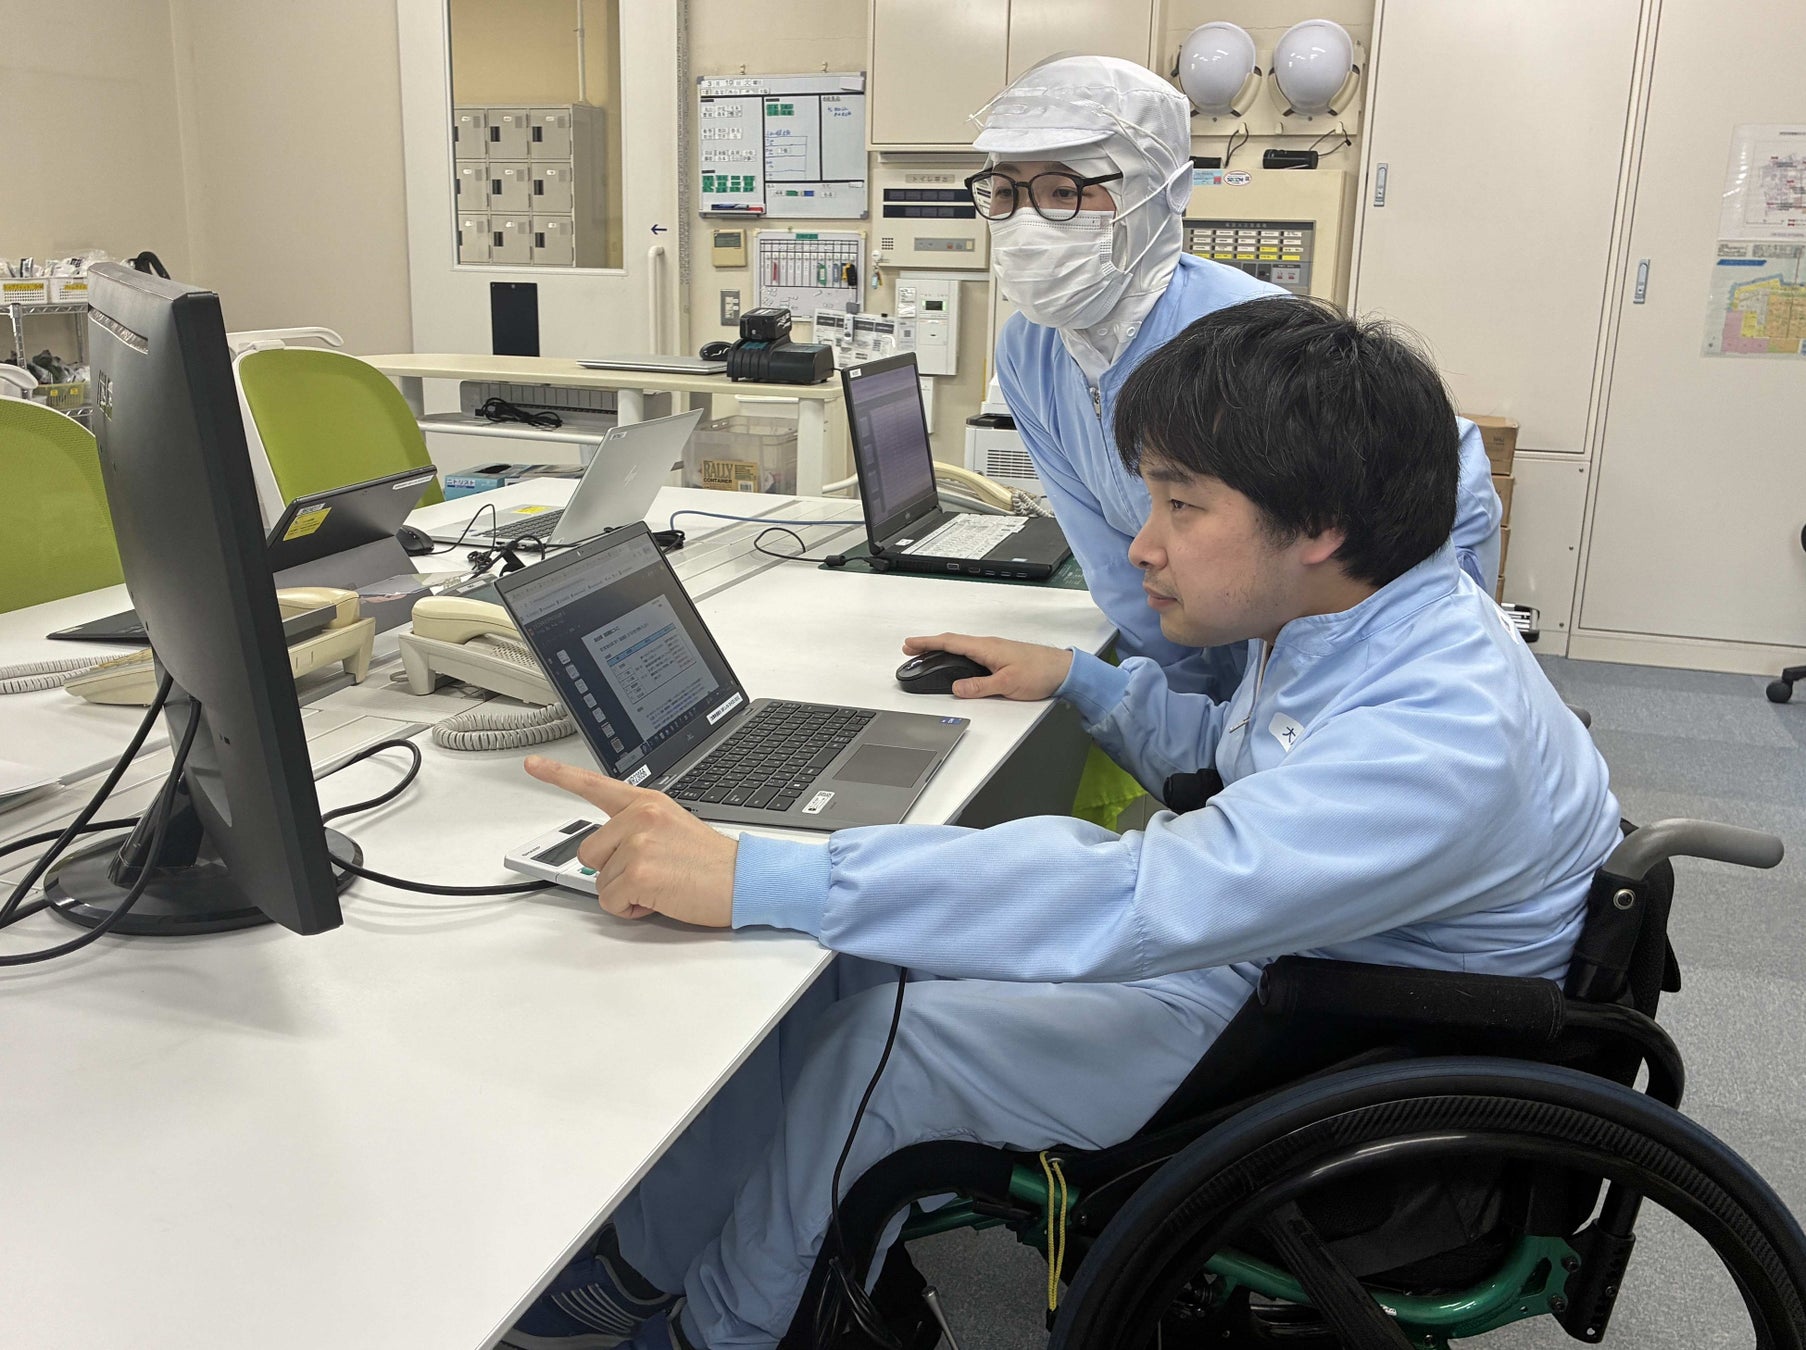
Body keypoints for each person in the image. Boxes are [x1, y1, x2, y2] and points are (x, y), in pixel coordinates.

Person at [500, 298, 1618, 1350]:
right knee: (844, 965)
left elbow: (1140, 897)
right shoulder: (1374, 616)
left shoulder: (1438, 733)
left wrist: (767, 874)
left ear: (1319, 524)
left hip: (1323, 1051)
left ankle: (718, 1330)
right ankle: (653, 1258)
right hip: (1302, 971)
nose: (1143, 545)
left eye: (1182, 506)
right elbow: (1248, 768)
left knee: (879, 1044)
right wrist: (1084, 681)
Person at [974, 54, 1502, 698]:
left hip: (1347, 597)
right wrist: (1169, 706)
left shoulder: (1237, 331)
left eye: (1064, 191)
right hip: (1215, 593)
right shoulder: (1028, 351)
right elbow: (1111, 558)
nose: (1027, 224)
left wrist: (1385, 658)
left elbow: (1399, 486)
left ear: (1159, 190)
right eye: (1005, 192)